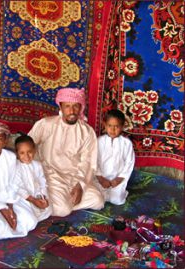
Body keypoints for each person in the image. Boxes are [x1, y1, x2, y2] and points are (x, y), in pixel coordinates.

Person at [28, 87, 104, 217]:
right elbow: (28, 144)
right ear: (61, 107)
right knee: (63, 210)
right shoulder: (46, 124)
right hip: (51, 175)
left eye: (76, 106)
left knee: (98, 201)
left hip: (75, 177)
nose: (72, 111)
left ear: (81, 108)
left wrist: (80, 185)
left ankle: (58, 202)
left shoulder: (87, 131)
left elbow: (88, 161)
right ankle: (56, 202)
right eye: (67, 106)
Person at [96, 109, 135, 205]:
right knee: (98, 198)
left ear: (122, 126)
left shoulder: (126, 143)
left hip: (117, 180)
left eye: (116, 126)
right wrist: (100, 178)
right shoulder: (99, 141)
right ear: (105, 125)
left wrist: (120, 178)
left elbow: (129, 163)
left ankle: (121, 192)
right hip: (100, 179)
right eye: (110, 126)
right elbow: (93, 160)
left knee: (117, 200)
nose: (113, 129)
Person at [14, 134, 52, 222]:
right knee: (29, 217)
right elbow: (18, 188)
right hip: (24, 198)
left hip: (36, 194)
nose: (27, 156)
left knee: (49, 209)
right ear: (17, 153)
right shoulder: (16, 166)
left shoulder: (37, 165)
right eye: (22, 153)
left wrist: (44, 197)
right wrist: (33, 200)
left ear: (34, 150)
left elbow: (43, 182)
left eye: (29, 152)